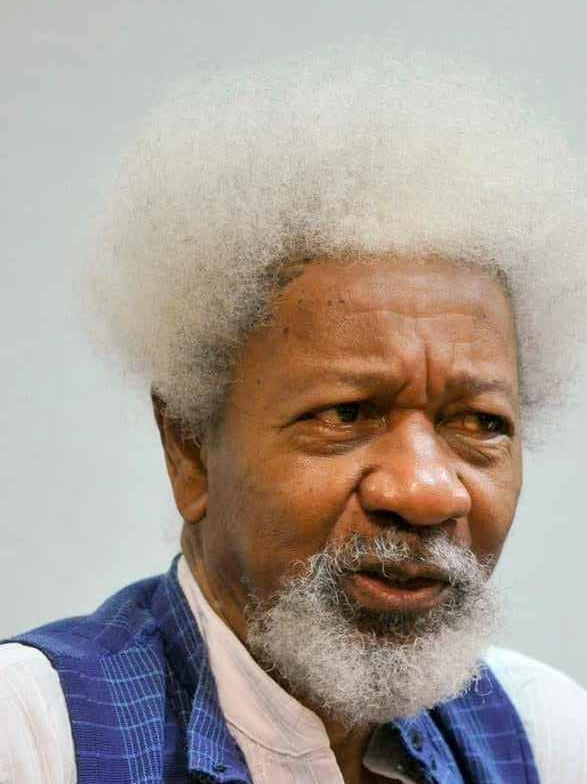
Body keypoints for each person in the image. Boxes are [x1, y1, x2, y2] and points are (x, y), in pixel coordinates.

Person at [2, 44, 587, 784]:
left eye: (479, 423)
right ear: (189, 449)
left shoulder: (542, 736)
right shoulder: (37, 735)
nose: (426, 491)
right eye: (347, 412)